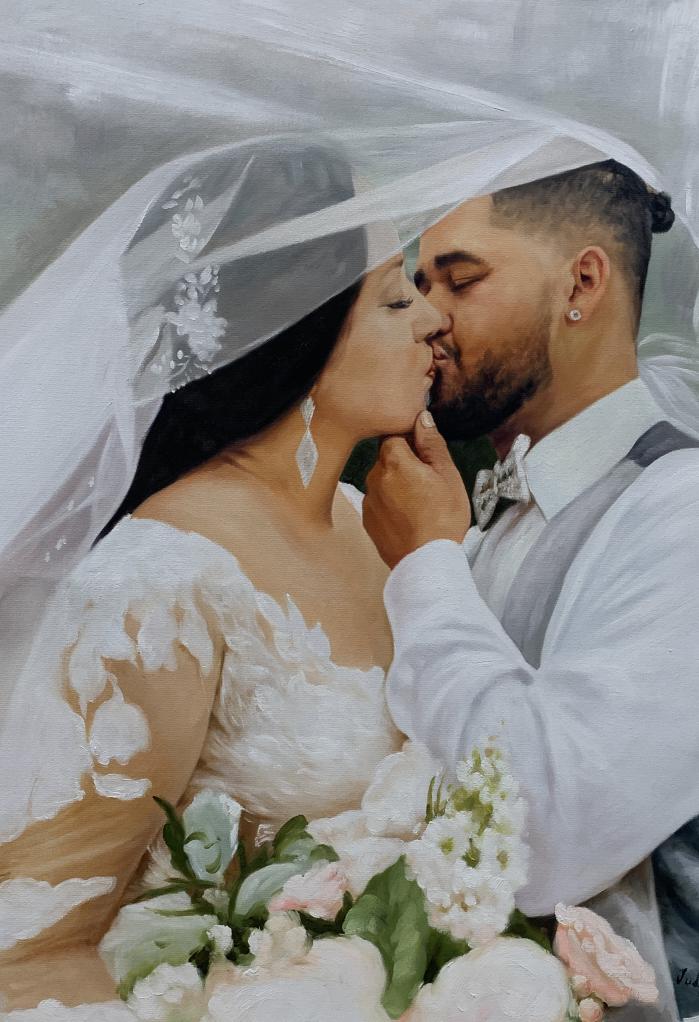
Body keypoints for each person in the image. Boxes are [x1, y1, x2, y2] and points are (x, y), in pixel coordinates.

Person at [0, 137, 441, 1010]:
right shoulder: (153, 586)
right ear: (298, 330)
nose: (433, 320)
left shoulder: (372, 525)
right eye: (396, 297)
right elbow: (30, 953)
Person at [363, 161, 699, 1022]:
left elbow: (544, 833)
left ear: (583, 283)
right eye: (415, 288)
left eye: (460, 279)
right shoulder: (482, 519)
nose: (427, 318)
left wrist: (425, 564)